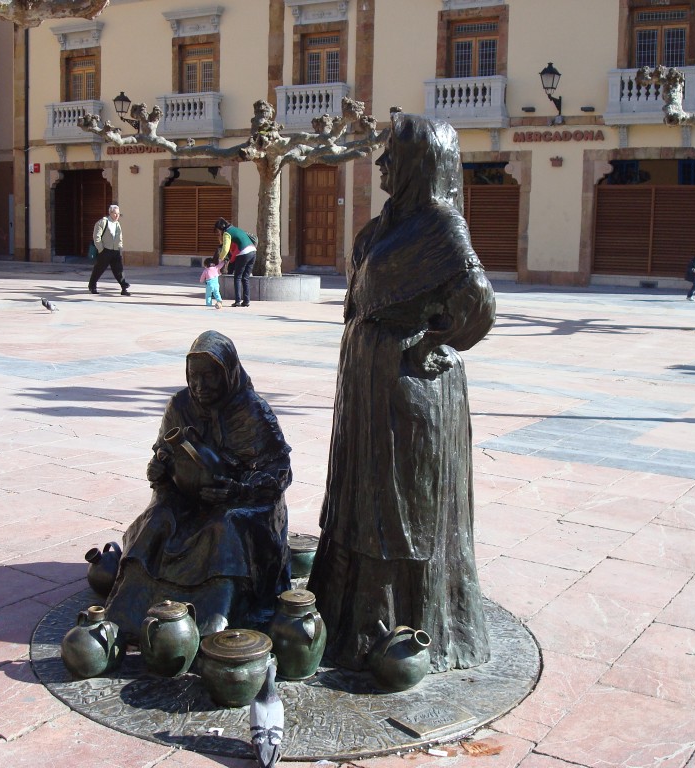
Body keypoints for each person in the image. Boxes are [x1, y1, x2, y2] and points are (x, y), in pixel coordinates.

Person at [306, 113, 496, 673]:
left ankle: (405, 632)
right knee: (362, 496)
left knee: (400, 508)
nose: (382, 163)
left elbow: (479, 303)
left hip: (409, 389)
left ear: (418, 163)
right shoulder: (386, 225)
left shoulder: (441, 227)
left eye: (393, 154)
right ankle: (351, 622)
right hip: (368, 379)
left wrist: (432, 344)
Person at [105, 331, 292, 639]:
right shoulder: (180, 404)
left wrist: (240, 491)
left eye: (210, 377)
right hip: (186, 496)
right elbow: (163, 452)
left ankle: (213, 621)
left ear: (228, 374)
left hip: (242, 500)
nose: (199, 386)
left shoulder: (252, 411)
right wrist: (160, 469)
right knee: (156, 520)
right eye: (194, 377)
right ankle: (130, 615)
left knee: (224, 526)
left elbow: (280, 470)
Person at [88, 204, 131, 296]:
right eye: (115, 214)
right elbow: (96, 237)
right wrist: (101, 249)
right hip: (105, 250)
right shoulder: (103, 222)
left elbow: (120, 237)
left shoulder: (117, 224)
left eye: (118, 214)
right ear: (110, 213)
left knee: (119, 270)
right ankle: (92, 285)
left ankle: (124, 287)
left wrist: (120, 248)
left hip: (116, 251)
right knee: (99, 269)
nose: (117, 216)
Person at [215, 217, 256, 307]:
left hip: (244, 252)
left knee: (237, 277)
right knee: (245, 277)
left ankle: (237, 301)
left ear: (221, 228)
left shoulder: (227, 233)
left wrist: (220, 258)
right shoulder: (236, 229)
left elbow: (225, 248)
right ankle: (246, 301)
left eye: (218, 231)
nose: (219, 233)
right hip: (253, 251)